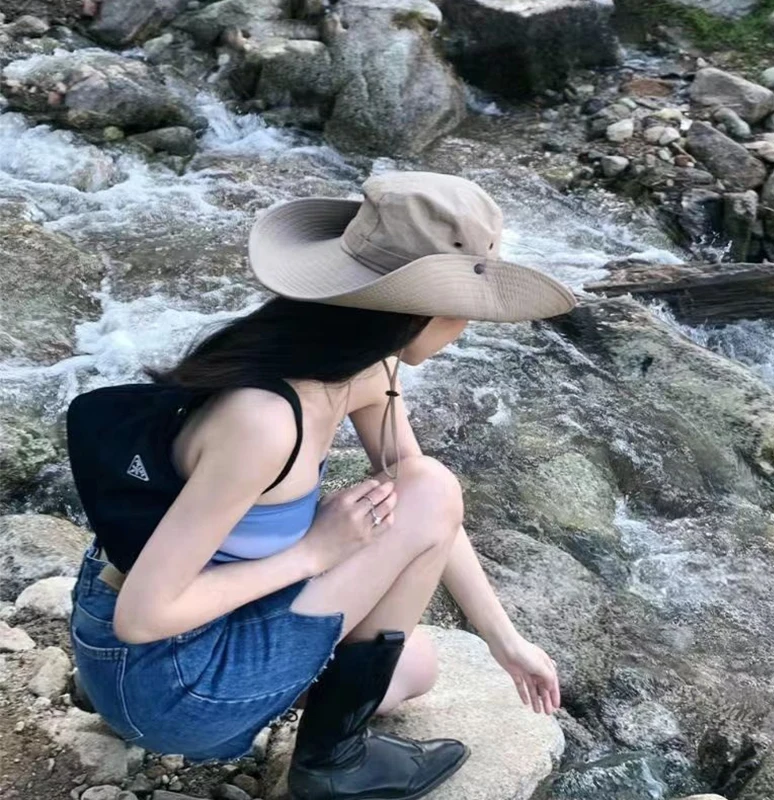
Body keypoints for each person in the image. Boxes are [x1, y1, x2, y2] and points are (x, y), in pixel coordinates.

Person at [66, 171, 576, 800]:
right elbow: (143, 616)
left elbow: (430, 513)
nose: (467, 324)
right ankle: (332, 765)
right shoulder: (263, 420)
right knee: (428, 491)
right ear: (420, 312)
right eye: (465, 308)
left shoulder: (351, 365)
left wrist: (505, 640)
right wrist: (312, 552)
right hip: (165, 680)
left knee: (415, 667)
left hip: (205, 624)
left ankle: (316, 726)